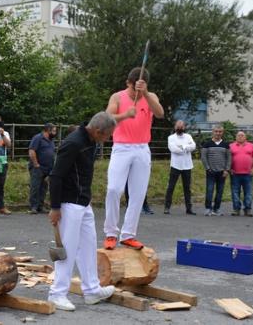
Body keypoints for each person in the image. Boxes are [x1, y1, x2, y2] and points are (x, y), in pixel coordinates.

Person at [47, 112, 117, 311]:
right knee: (67, 249)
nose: (108, 139)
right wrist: (55, 207)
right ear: (97, 131)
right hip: (69, 203)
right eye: (107, 135)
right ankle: (57, 293)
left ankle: (92, 289)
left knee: (88, 245)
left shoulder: (91, 140)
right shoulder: (73, 143)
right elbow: (55, 176)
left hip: (83, 203)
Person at [103, 67, 164, 250]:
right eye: (133, 88)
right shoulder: (117, 97)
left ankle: (128, 234)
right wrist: (125, 115)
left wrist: (145, 93)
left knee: (138, 194)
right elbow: (107, 117)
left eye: (140, 87)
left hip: (142, 148)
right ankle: (111, 233)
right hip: (122, 147)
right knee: (114, 189)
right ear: (128, 83)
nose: (135, 92)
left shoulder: (150, 96)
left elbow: (160, 113)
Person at [163, 120, 196, 215]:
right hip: (175, 165)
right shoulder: (171, 137)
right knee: (171, 187)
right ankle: (167, 208)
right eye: (178, 126)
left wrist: (182, 147)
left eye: (181, 127)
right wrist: (186, 148)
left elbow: (193, 146)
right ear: (175, 127)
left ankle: (189, 209)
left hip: (187, 166)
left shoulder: (188, 136)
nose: (179, 128)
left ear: (184, 127)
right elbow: (173, 149)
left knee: (187, 188)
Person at [200, 125, 230, 216]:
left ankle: (216, 209)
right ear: (213, 132)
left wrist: (226, 170)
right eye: (216, 131)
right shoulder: (207, 144)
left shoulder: (226, 145)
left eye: (220, 131)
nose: (218, 133)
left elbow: (229, 158)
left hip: (222, 172)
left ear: (222, 132)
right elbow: (203, 157)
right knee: (209, 190)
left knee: (220, 192)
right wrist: (207, 168)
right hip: (211, 172)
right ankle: (208, 208)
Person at [28, 123, 57, 214]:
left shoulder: (51, 140)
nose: (55, 133)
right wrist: (36, 164)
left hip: (48, 168)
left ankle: (40, 206)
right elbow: (32, 151)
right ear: (47, 130)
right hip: (38, 167)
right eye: (53, 131)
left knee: (44, 188)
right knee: (35, 187)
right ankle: (33, 207)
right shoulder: (38, 138)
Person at [230, 131, 253, 217]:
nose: (240, 137)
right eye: (238, 135)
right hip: (235, 173)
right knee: (235, 192)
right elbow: (228, 158)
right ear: (236, 137)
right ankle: (236, 210)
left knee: (248, 193)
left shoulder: (251, 145)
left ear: (245, 137)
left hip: (248, 173)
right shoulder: (231, 146)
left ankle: (247, 210)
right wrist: (229, 168)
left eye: (242, 135)